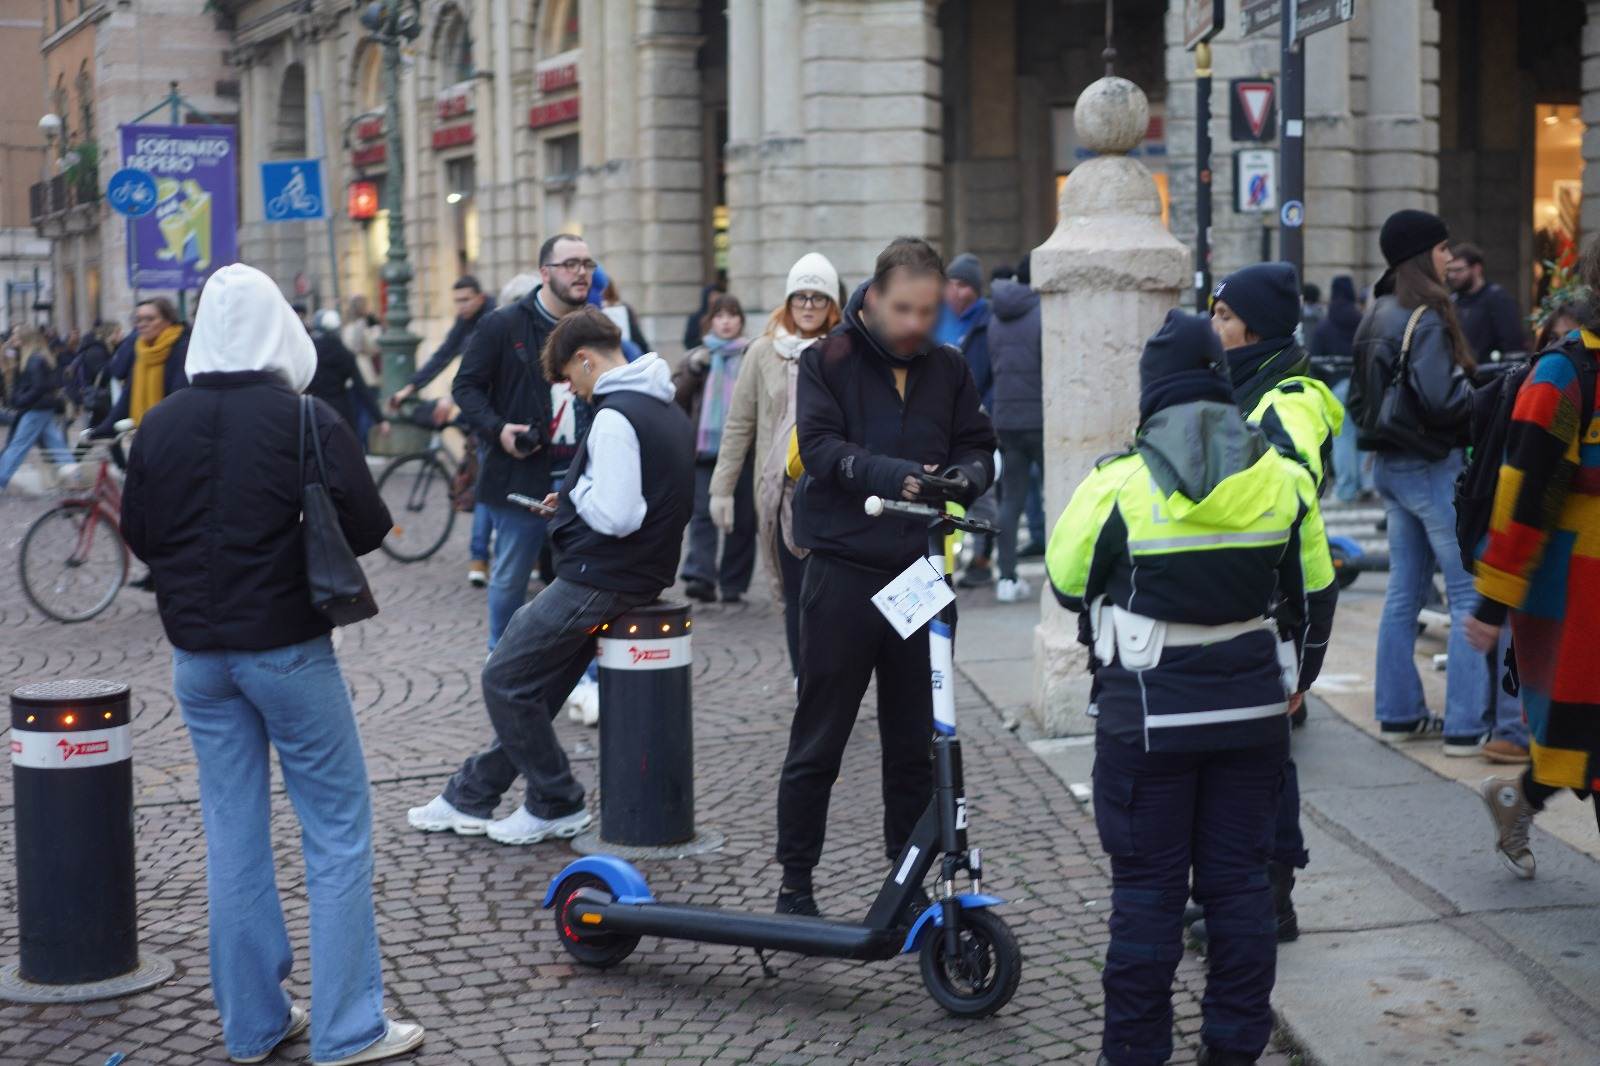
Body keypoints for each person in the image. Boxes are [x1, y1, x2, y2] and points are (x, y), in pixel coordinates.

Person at [120, 263, 422, 1066]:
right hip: (288, 650)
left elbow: (142, 537)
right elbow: (368, 523)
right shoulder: (305, 418)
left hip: (198, 661)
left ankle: (253, 1026)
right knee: (336, 832)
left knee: (233, 834)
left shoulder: (159, 423)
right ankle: (348, 1027)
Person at [1048, 309, 1334, 1066]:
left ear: (1152, 394)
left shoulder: (1120, 482)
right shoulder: (1280, 475)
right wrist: (1297, 680)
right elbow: (1314, 589)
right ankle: (1232, 1051)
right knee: (1240, 891)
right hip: (1251, 719)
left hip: (1147, 718)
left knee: (1146, 896)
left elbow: (1066, 582)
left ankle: (1135, 1055)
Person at [408, 308, 693, 845]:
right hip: (632, 573)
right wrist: (574, 499)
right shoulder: (662, 405)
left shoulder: (615, 415)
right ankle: (470, 792)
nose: (572, 391)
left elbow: (619, 514)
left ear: (585, 360)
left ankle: (556, 800)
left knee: (504, 677)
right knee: (538, 687)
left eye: (568, 378)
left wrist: (579, 494)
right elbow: (643, 499)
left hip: (600, 576)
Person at [776, 237, 996, 917]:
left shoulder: (950, 368)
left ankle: (906, 886)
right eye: (903, 309)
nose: (914, 325)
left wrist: (965, 477)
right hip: (842, 573)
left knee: (912, 743)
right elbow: (817, 448)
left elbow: (979, 444)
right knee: (821, 735)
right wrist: (888, 474)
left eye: (928, 312)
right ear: (872, 297)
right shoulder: (826, 360)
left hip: (919, 573)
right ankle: (796, 882)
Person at [1204, 261, 1343, 946]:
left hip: (1275, 609)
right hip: (1247, 602)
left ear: (1253, 326)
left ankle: (1270, 901)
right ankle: (1249, 894)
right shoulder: (1244, 383)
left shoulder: (1286, 397)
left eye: (1223, 316)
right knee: (1247, 762)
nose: (1214, 326)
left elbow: (1290, 506)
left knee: (1262, 768)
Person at [1470, 240, 1600, 878]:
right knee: (1588, 741)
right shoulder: (1566, 372)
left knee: (1582, 741)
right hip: (1581, 589)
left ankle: (1516, 798)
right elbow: (1521, 493)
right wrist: (1492, 601)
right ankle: (1518, 796)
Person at [1348, 210, 1490, 752]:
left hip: (1390, 464)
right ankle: (1466, 724)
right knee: (1466, 590)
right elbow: (1441, 400)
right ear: (1420, 255)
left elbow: (1364, 401)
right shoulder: (1426, 314)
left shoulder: (1376, 312)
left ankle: (1400, 713)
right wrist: (1482, 395)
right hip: (1431, 465)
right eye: (1441, 248)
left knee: (1403, 593)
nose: (1448, 257)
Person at [452, 235, 591, 649]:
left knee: (583, 580)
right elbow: (466, 387)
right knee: (510, 580)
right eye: (570, 264)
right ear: (545, 273)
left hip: (583, 480)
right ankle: (502, 662)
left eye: (587, 263)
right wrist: (498, 429)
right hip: (519, 477)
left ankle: (580, 675)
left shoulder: (595, 327)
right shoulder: (503, 323)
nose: (581, 271)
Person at [707, 252, 842, 676]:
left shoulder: (844, 353)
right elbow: (740, 424)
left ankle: (831, 678)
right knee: (794, 592)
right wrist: (721, 488)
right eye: (800, 296)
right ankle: (806, 679)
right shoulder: (763, 352)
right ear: (787, 301)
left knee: (832, 594)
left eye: (817, 298)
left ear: (831, 305)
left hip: (834, 492)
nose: (807, 305)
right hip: (780, 492)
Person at [674, 292, 756, 604]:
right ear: (710, 321)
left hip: (745, 451)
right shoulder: (698, 357)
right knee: (703, 516)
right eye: (720, 316)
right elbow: (676, 400)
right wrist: (693, 371)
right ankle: (700, 577)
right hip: (704, 450)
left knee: (743, 520)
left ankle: (733, 583)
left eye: (732, 315)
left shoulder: (752, 355)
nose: (726, 322)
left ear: (740, 321)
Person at [987, 265, 1044, 603]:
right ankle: (1061, 574)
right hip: (1040, 417)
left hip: (1006, 418)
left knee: (1010, 500)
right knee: (1060, 496)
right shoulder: (1040, 313)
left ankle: (1006, 577)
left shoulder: (996, 316)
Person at [391, 276, 496, 407]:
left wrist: (452, 398)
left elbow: (479, 367)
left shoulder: (494, 319)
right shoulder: (464, 320)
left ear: (481, 298)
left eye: (465, 300)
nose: (461, 306)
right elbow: (444, 353)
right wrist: (411, 387)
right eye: (457, 301)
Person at [94, 296, 189, 434]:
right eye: (138, 320)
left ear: (168, 321)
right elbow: (128, 394)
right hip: (148, 431)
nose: (142, 324)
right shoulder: (141, 350)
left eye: (150, 319)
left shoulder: (182, 347)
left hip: (176, 429)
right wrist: (104, 428)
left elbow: (180, 394)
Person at [1311, 275, 1367, 502]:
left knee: (1343, 438)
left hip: (1336, 384)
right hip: (1362, 384)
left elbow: (1315, 357)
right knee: (1364, 436)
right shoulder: (1361, 320)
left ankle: (1346, 488)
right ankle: (1367, 483)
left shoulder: (1326, 324)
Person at [0, 329, 74, 494]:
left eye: (16, 337)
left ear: (25, 340)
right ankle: (75, 476)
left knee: (18, 446)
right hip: (43, 407)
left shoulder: (34, 360)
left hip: (36, 408)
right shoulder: (35, 358)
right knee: (56, 444)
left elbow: (38, 387)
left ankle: (1, 479)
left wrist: (20, 400)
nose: (13, 341)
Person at [307, 310, 386, 441]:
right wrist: (380, 419)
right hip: (340, 411)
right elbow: (361, 388)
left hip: (314, 409)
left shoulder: (310, 353)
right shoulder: (344, 354)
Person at [1446, 243, 1530, 362]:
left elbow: (1513, 344)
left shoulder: (1498, 298)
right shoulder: (1452, 301)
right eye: (1449, 270)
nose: (1452, 275)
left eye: (1458, 270)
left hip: (1490, 374)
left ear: (1477, 269)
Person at [934, 252, 988, 348]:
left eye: (961, 285)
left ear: (976, 290)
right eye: (949, 284)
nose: (953, 291)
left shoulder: (987, 320)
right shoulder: (936, 317)